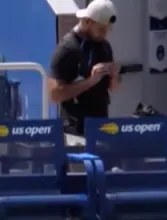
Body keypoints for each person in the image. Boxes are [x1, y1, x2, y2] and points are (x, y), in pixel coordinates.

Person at [48, 0, 120, 138]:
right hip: (75, 129)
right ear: (87, 21)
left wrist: (113, 75)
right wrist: (91, 81)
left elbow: (113, 88)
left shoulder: (104, 46)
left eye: (108, 29)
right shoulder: (67, 48)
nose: (105, 34)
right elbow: (54, 95)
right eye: (101, 29)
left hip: (101, 127)